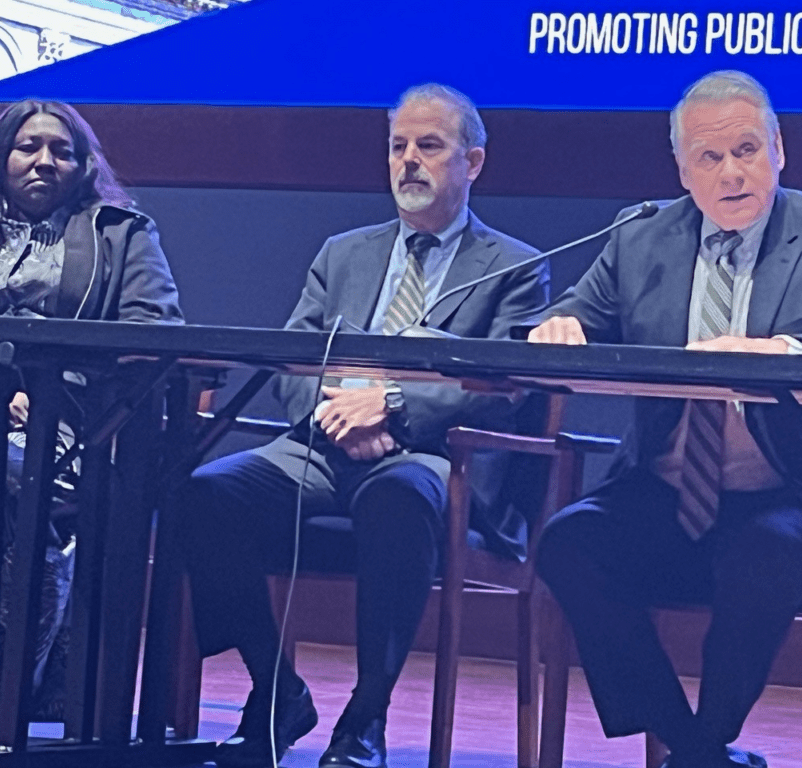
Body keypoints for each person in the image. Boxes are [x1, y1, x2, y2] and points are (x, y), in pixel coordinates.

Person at [528, 70, 802, 768]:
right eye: (709, 158)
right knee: (567, 543)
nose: (732, 173)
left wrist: (780, 350)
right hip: (663, 488)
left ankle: (701, 748)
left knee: (761, 561)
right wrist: (558, 326)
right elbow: (574, 316)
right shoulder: (639, 237)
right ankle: (697, 750)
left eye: (747, 150)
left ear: (779, 149)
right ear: (682, 170)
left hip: (785, 492)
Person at [176, 83, 549, 768]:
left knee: (400, 497)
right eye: (397, 146)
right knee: (207, 492)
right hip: (323, 444)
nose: (408, 161)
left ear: (474, 161)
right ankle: (277, 689)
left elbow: (502, 391)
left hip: (433, 457)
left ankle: (365, 718)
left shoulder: (513, 267)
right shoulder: (343, 253)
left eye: (428, 146)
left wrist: (395, 408)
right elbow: (293, 361)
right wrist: (339, 413)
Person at [0, 99, 183, 716]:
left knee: (14, 479)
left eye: (62, 150)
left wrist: (43, 388)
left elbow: (154, 335)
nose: (45, 160)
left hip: (69, 426)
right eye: (28, 147)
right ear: (2, 158)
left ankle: (10, 693)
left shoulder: (121, 234)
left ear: (82, 166)